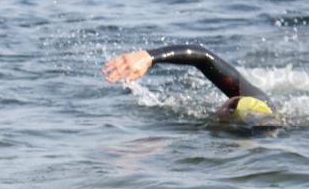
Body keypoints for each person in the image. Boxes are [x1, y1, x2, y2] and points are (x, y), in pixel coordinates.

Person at [103, 45, 275, 125]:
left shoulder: (262, 130)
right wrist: (148, 57)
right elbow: (203, 57)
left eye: (229, 109)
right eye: (232, 102)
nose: (225, 106)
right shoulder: (259, 100)